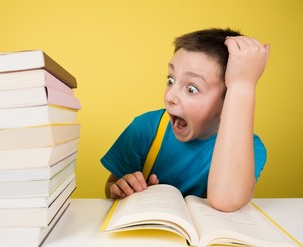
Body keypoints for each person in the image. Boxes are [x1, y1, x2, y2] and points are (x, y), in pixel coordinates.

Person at [100, 28, 270, 212]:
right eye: (171, 80)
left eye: (191, 89)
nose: (170, 96)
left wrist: (242, 86)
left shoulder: (250, 148)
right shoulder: (144, 129)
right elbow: (112, 185)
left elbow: (226, 200)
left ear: (229, 100)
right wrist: (121, 188)